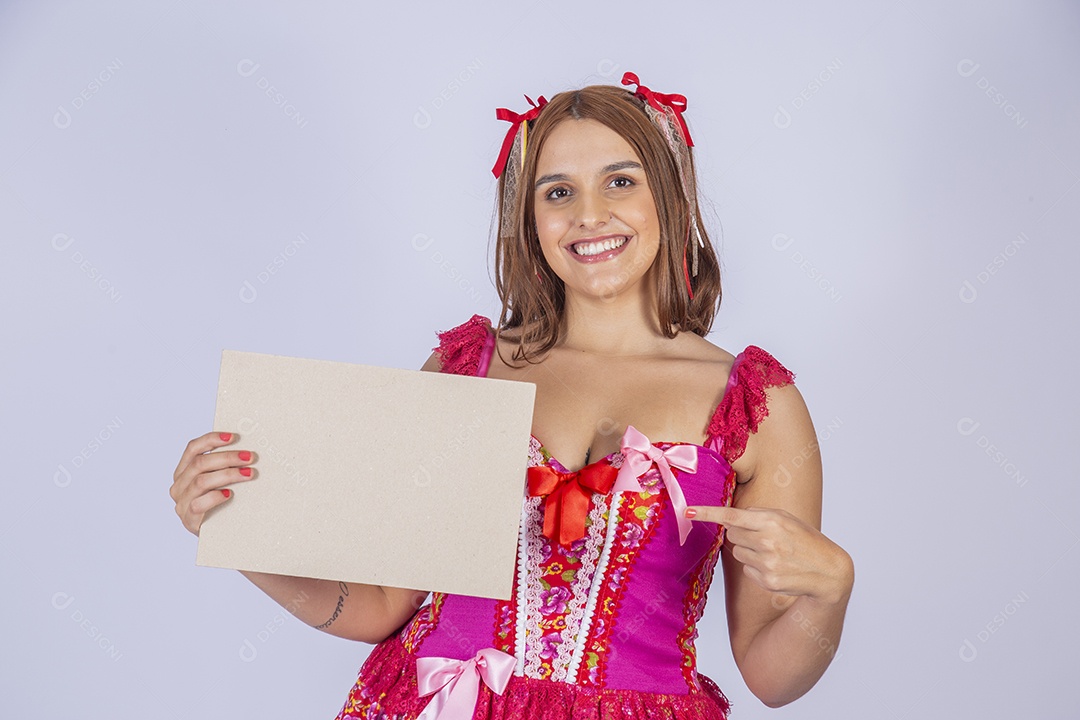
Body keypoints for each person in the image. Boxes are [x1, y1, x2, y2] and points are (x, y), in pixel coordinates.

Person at [170, 71, 854, 719]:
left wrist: (830, 589)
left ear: (671, 196)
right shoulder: (465, 367)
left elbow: (770, 675)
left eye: (620, 181)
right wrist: (240, 537)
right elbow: (380, 603)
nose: (591, 215)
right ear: (527, 219)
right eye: (558, 192)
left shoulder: (755, 405)